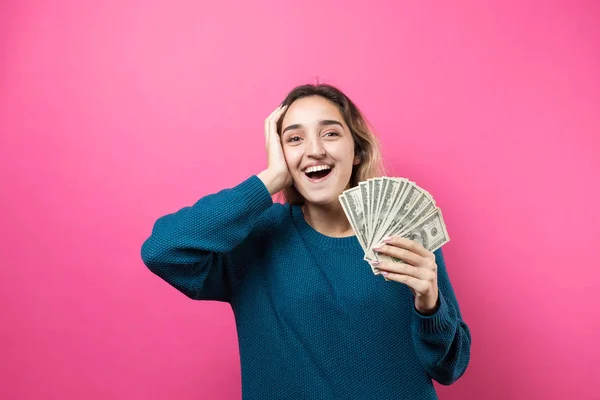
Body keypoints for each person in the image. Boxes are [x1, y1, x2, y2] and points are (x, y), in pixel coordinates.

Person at [140, 83, 471, 399]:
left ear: (356, 151)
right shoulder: (256, 238)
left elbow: (449, 368)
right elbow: (162, 250)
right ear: (281, 154)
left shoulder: (404, 231)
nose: (315, 150)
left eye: (330, 133)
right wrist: (269, 180)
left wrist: (430, 304)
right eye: (294, 138)